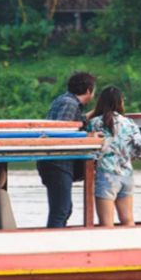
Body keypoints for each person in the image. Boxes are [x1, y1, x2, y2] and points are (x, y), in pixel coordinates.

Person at [38, 71, 95, 228]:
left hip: (55, 161)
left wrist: (91, 115)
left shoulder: (66, 101)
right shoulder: (69, 104)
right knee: (61, 210)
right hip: (57, 161)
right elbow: (62, 131)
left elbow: (73, 123)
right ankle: (54, 245)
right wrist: (88, 136)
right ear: (89, 90)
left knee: (65, 209)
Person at [87, 86, 141, 227]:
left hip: (106, 175)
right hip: (127, 175)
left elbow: (90, 151)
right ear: (120, 102)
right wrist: (126, 156)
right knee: (128, 220)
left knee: (107, 224)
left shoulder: (94, 123)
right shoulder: (130, 123)